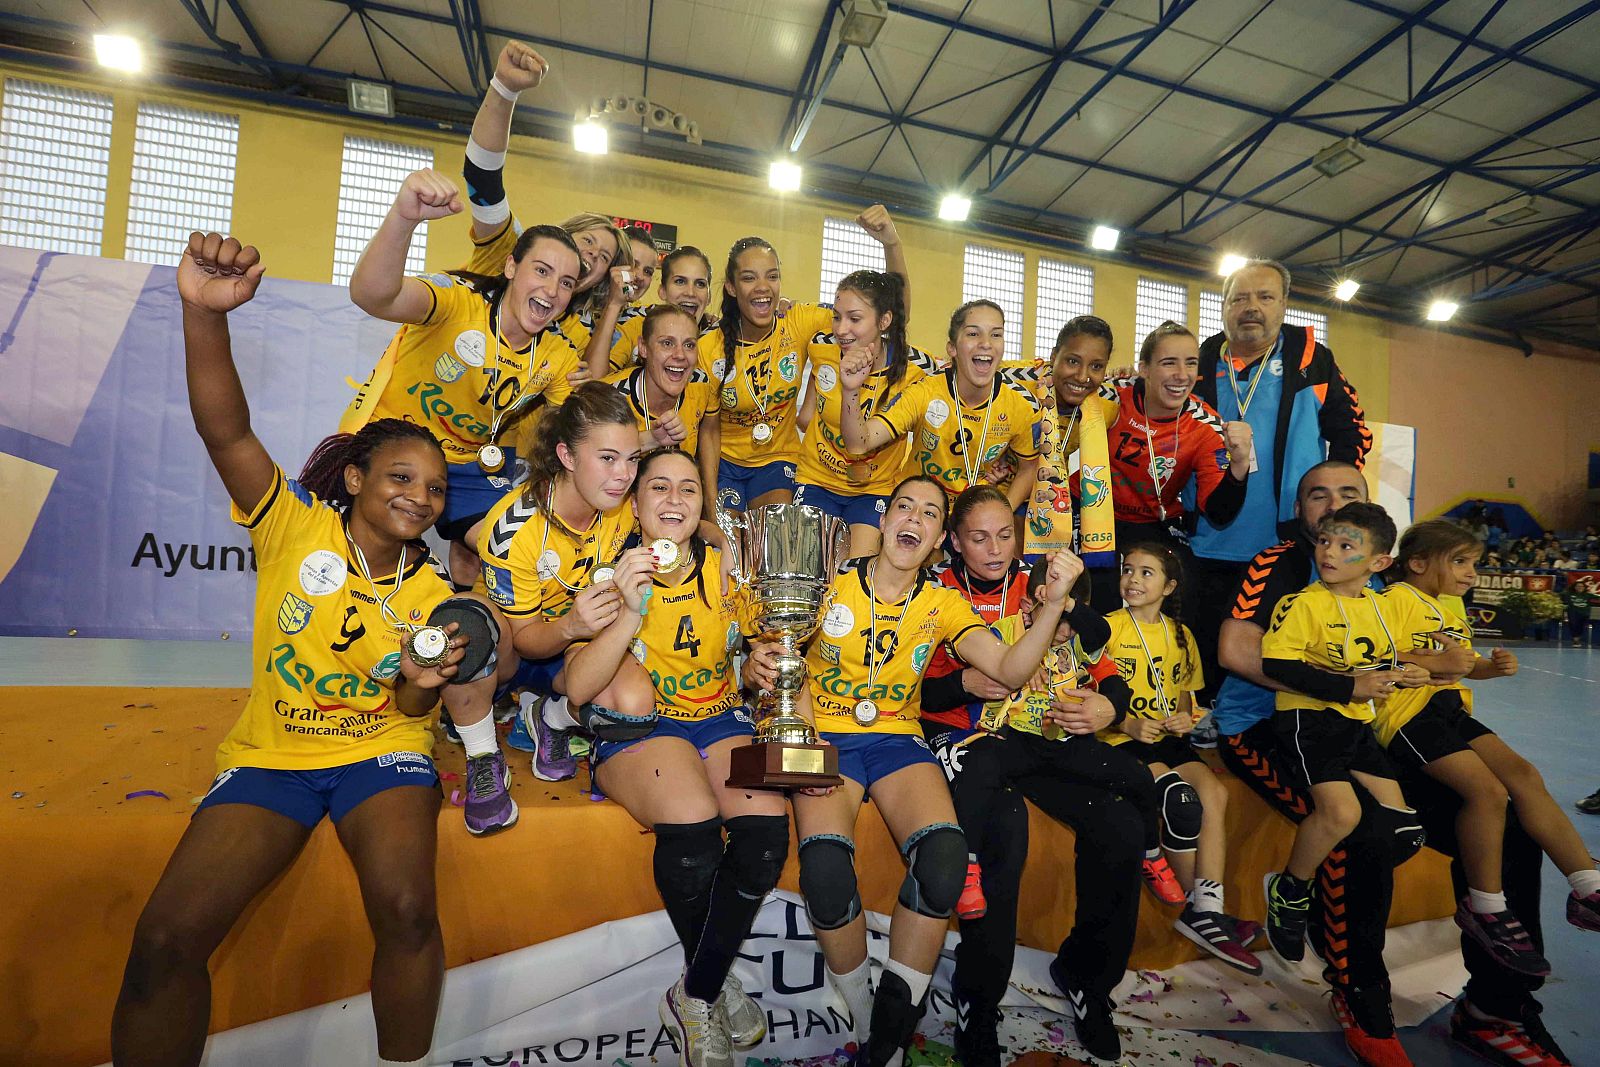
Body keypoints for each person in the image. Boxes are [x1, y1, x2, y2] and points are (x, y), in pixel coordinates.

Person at [113, 234, 472, 1067]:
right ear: (354, 478)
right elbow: (225, 429)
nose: (420, 496)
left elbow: (413, 708)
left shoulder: (430, 594)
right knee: (165, 937)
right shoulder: (291, 526)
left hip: (380, 751)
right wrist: (204, 317)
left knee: (409, 907)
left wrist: (422, 684)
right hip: (273, 756)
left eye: (435, 488)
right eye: (400, 477)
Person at [760, 476, 1079, 1066]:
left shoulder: (942, 602)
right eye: (904, 506)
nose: (914, 519)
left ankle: (892, 1025)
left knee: (943, 861)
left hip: (897, 741)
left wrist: (1053, 603)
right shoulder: (829, 578)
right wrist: (798, 738)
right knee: (826, 873)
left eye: (930, 513)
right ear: (883, 519)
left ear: (939, 539)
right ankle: (869, 1017)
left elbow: (1009, 670)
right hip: (827, 734)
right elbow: (783, 658)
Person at [918, 487, 1173, 1063]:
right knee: (1003, 827)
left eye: (1005, 535)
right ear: (954, 542)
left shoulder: (1042, 582)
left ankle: (1086, 979)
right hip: (966, 739)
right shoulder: (933, 591)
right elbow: (912, 689)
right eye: (978, 538)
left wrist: (1109, 706)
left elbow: (1104, 665)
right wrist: (961, 684)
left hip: (1043, 740)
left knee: (1120, 825)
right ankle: (978, 1003)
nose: (994, 549)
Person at [563, 448, 787, 1067]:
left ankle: (698, 988)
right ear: (634, 503)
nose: (673, 500)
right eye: (658, 487)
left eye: (688, 490)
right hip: (642, 728)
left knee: (765, 836)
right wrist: (628, 611)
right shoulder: (609, 571)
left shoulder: (724, 568)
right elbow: (577, 689)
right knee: (691, 822)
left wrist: (760, 663)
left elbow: (748, 650)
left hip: (717, 717)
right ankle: (710, 986)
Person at [1376, 522, 1600, 976]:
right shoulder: (1393, 600)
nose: (1472, 573)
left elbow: (1461, 665)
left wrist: (1489, 668)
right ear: (1417, 563)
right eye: (1460, 562)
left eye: (1474, 563)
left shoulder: (1451, 606)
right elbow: (1371, 655)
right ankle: (1485, 905)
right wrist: (1434, 661)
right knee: (1488, 793)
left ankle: (1587, 887)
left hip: (1448, 710)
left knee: (1525, 775)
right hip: (1406, 716)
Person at [341, 169, 583, 585]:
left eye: (566, 282)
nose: (552, 290)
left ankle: (478, 632)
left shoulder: (558, 357)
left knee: (515, 551)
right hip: (389, 451)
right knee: (359, 560)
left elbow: (572, 441)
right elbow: (372, 294)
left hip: (467, 468)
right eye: (541, 271)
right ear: (510, 266)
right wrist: (404, 217)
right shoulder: (456, 302)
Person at [444, 384, 654, 832]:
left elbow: (677, 519)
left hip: (573, 645)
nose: (622, 474)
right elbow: (525, 640)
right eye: (607, 458)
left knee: (633, 703)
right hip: (512, 651)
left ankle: (549, 717)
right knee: (465, 621)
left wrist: (718, 539)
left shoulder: (622, 506)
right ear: (567, 456)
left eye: (632, 459)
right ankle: (484, 756)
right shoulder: (513, 528)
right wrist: (571, 625)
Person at [1189, 259, 1371, 706]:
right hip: (1209, 540)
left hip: (1285, 543)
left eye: (1265, 297)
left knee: (1280, 648)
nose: (1251, 308)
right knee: (1208, 648)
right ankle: (1213, 724)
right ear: (1224, 307)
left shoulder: (1312, 358)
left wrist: (1333, 500)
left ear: (1284, 304)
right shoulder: (1202, 359)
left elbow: (1353, 433)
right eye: (1239, 298)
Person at [1258, 502, 1431, 963]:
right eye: (1326, 541)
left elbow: (1386, 659)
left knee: (1405, 830)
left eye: (1346, 546)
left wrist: (1409, 672)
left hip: (1355, 725)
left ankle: (1330, 897)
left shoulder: (1383, 607)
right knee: (1342, 815)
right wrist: (1349, 686)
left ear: (1379, 564)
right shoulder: (1302, 603)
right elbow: (1276, 663)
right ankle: (1290, 889)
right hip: (1307, 721)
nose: (1329, 552)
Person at [1102, 543, 1260, 973]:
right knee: (1179, 798)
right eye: (1128, 570)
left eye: (1146, 573)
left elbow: (1188, 700)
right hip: (1122, 739)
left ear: (1169, 586)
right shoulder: (1104, 629)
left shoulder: (1181, 634)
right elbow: (1089, 697)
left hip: (1167, 738)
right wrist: (1127, 724)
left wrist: (1185, 719)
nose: (1133, 580)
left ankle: (1209, 905)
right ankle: (1202, 913)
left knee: (1213, 792)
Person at [707, 210, 906, 513]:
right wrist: (709, 498)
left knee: (774, 542)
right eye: (749, 278)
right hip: (725, 463)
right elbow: (706, 429)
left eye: (772, 276)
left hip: (779, 460)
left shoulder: (799, 321)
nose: (763, 286)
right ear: (732, 288)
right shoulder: (710, 348)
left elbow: (885, 313)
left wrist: (892, 245)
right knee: (728, 548)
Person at [456, 40, 633, 372]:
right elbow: (482, 180)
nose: (594, 254)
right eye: (589, 241)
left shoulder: (578, 336)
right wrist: (504, 89)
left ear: (595, 281)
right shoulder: (511, 249)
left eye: (604, 257)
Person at [841, 301, 1040, 513]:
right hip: (919, 508)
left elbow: (1029, 468)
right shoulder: (925, 392)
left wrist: (1003, 512)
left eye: (996, 334)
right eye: (973, 334)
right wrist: (850, 390)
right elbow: (859, 443)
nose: (986, 343)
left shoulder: (1021, 405)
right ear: (952, 348)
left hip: (972, 514)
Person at [796, 264, 935, 557]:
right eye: (837, 317)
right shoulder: (821, 348)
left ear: (884, 321)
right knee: (812, 571)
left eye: (854, 318)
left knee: (856, 572)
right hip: (816, 480)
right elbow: (806, 417)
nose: (841, 329)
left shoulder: (916, 372)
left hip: (873, 489)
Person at [601, 304, 720, 502]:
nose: (680, 355)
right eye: (667, 343)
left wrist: (710, 516)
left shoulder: (702, 385)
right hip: (614, 518)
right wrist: (649, 440)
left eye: (689, 345)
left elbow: (710, 437)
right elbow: (587, 462)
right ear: (644, 348)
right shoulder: (608, 396)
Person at [602, 246, 717, 374]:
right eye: (680, 281)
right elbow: (598, 382)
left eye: (700, 284)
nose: (690, 292)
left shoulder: (717, 337)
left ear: (709, 297)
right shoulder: (635, 324)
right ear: (662, 291)